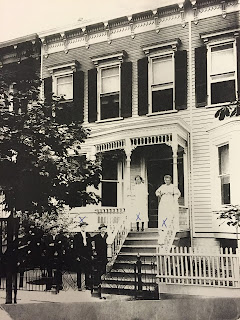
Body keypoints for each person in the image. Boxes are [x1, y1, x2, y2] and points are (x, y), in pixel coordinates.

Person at [155, 175, 181, 239]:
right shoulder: (162, 186)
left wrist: (175, 198)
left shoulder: (173, 186)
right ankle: (163, 226)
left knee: (170, 213)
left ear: (170, 180)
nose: (167, 181)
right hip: (164, 200)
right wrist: (159, 195)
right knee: (164, 213)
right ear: (164, 181)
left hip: (170, 200)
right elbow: (157, 192)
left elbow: (178, 193)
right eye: (166, 180)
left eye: (168, 180)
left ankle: (170, 227)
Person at [43, 225, 65, 292]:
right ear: (50, 231)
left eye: (55, 229)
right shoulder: (47, 237)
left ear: (57, 230)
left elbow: (61, 244)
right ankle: (49, 285)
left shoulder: (61, 237)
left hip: (58, 256)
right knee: (49, 270)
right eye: (52, 230)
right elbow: (46, 245)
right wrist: (56, 244)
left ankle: (59, 285)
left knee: (59, 270)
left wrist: (53, 244)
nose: (53, 231)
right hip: (50, 256)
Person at [73, 221, 93, 291]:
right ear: (80, 227)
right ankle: (79, 286)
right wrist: (77, 256)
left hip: (87, 254)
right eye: (82, 226)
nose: (84, 228)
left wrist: (91, 254)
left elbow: (90, 245)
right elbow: (75, 247)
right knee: (79, 270)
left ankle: (87, 285)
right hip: (80, 254)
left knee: (87, 270)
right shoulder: (77, 236)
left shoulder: (88, 235)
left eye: (85, 226)